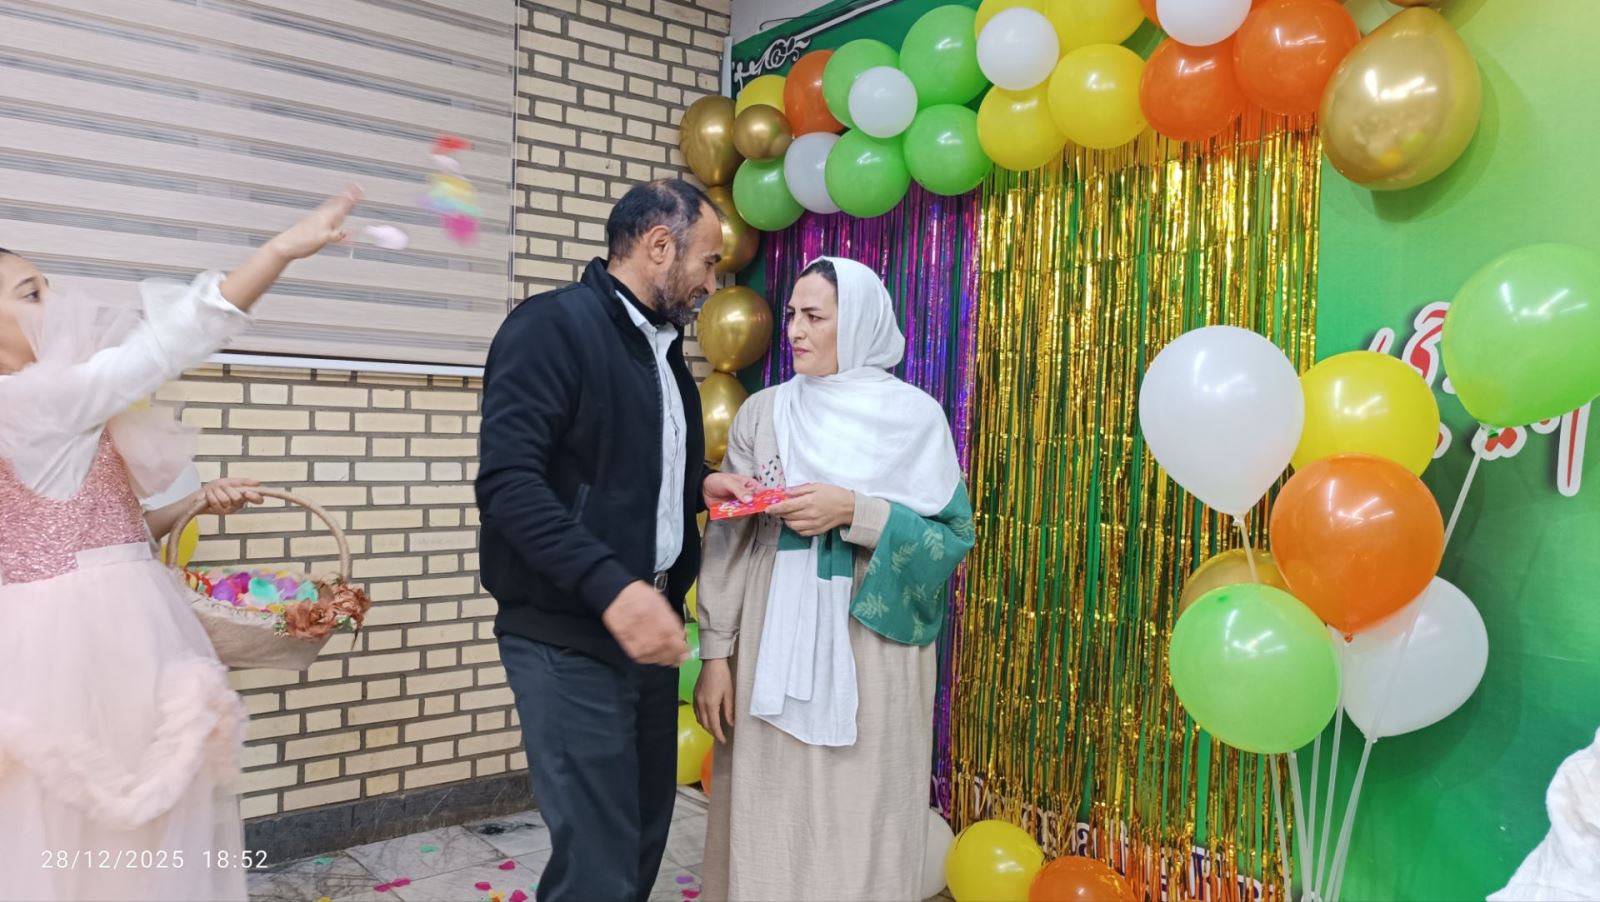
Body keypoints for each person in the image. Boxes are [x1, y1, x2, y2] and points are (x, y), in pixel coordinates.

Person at [0, 188, 361, 902]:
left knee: (64, 825)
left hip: (44, 632)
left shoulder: (37, 404)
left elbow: (99, 533)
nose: (57, 305)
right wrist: (279, 251)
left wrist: (192, 501)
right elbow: (174, 338)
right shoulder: (46, 399)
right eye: (31, 293)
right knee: (130, 829)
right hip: (98, 639)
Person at [477, 178, 760, 902]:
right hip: (570, 635)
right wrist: (614, 589)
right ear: (660, 245)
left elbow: (626, 463)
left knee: (638, 843)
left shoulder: (663, 351)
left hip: (645, 634)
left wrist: (700, 485)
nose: (712, 284)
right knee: (596, 868)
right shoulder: (550, 328)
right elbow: (510, 486)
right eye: (708, 262)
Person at [694, 256, 976, 901]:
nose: (794, 330)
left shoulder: (914, 418)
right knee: (769, 800)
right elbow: (731, 539)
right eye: (792, 314)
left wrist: (855, 511)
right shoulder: (764, 413)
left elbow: (950, 539)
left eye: (814, 316)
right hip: (768, 636)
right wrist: (715, 653)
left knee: (863, 804)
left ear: (858, 325)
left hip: (873, 643)